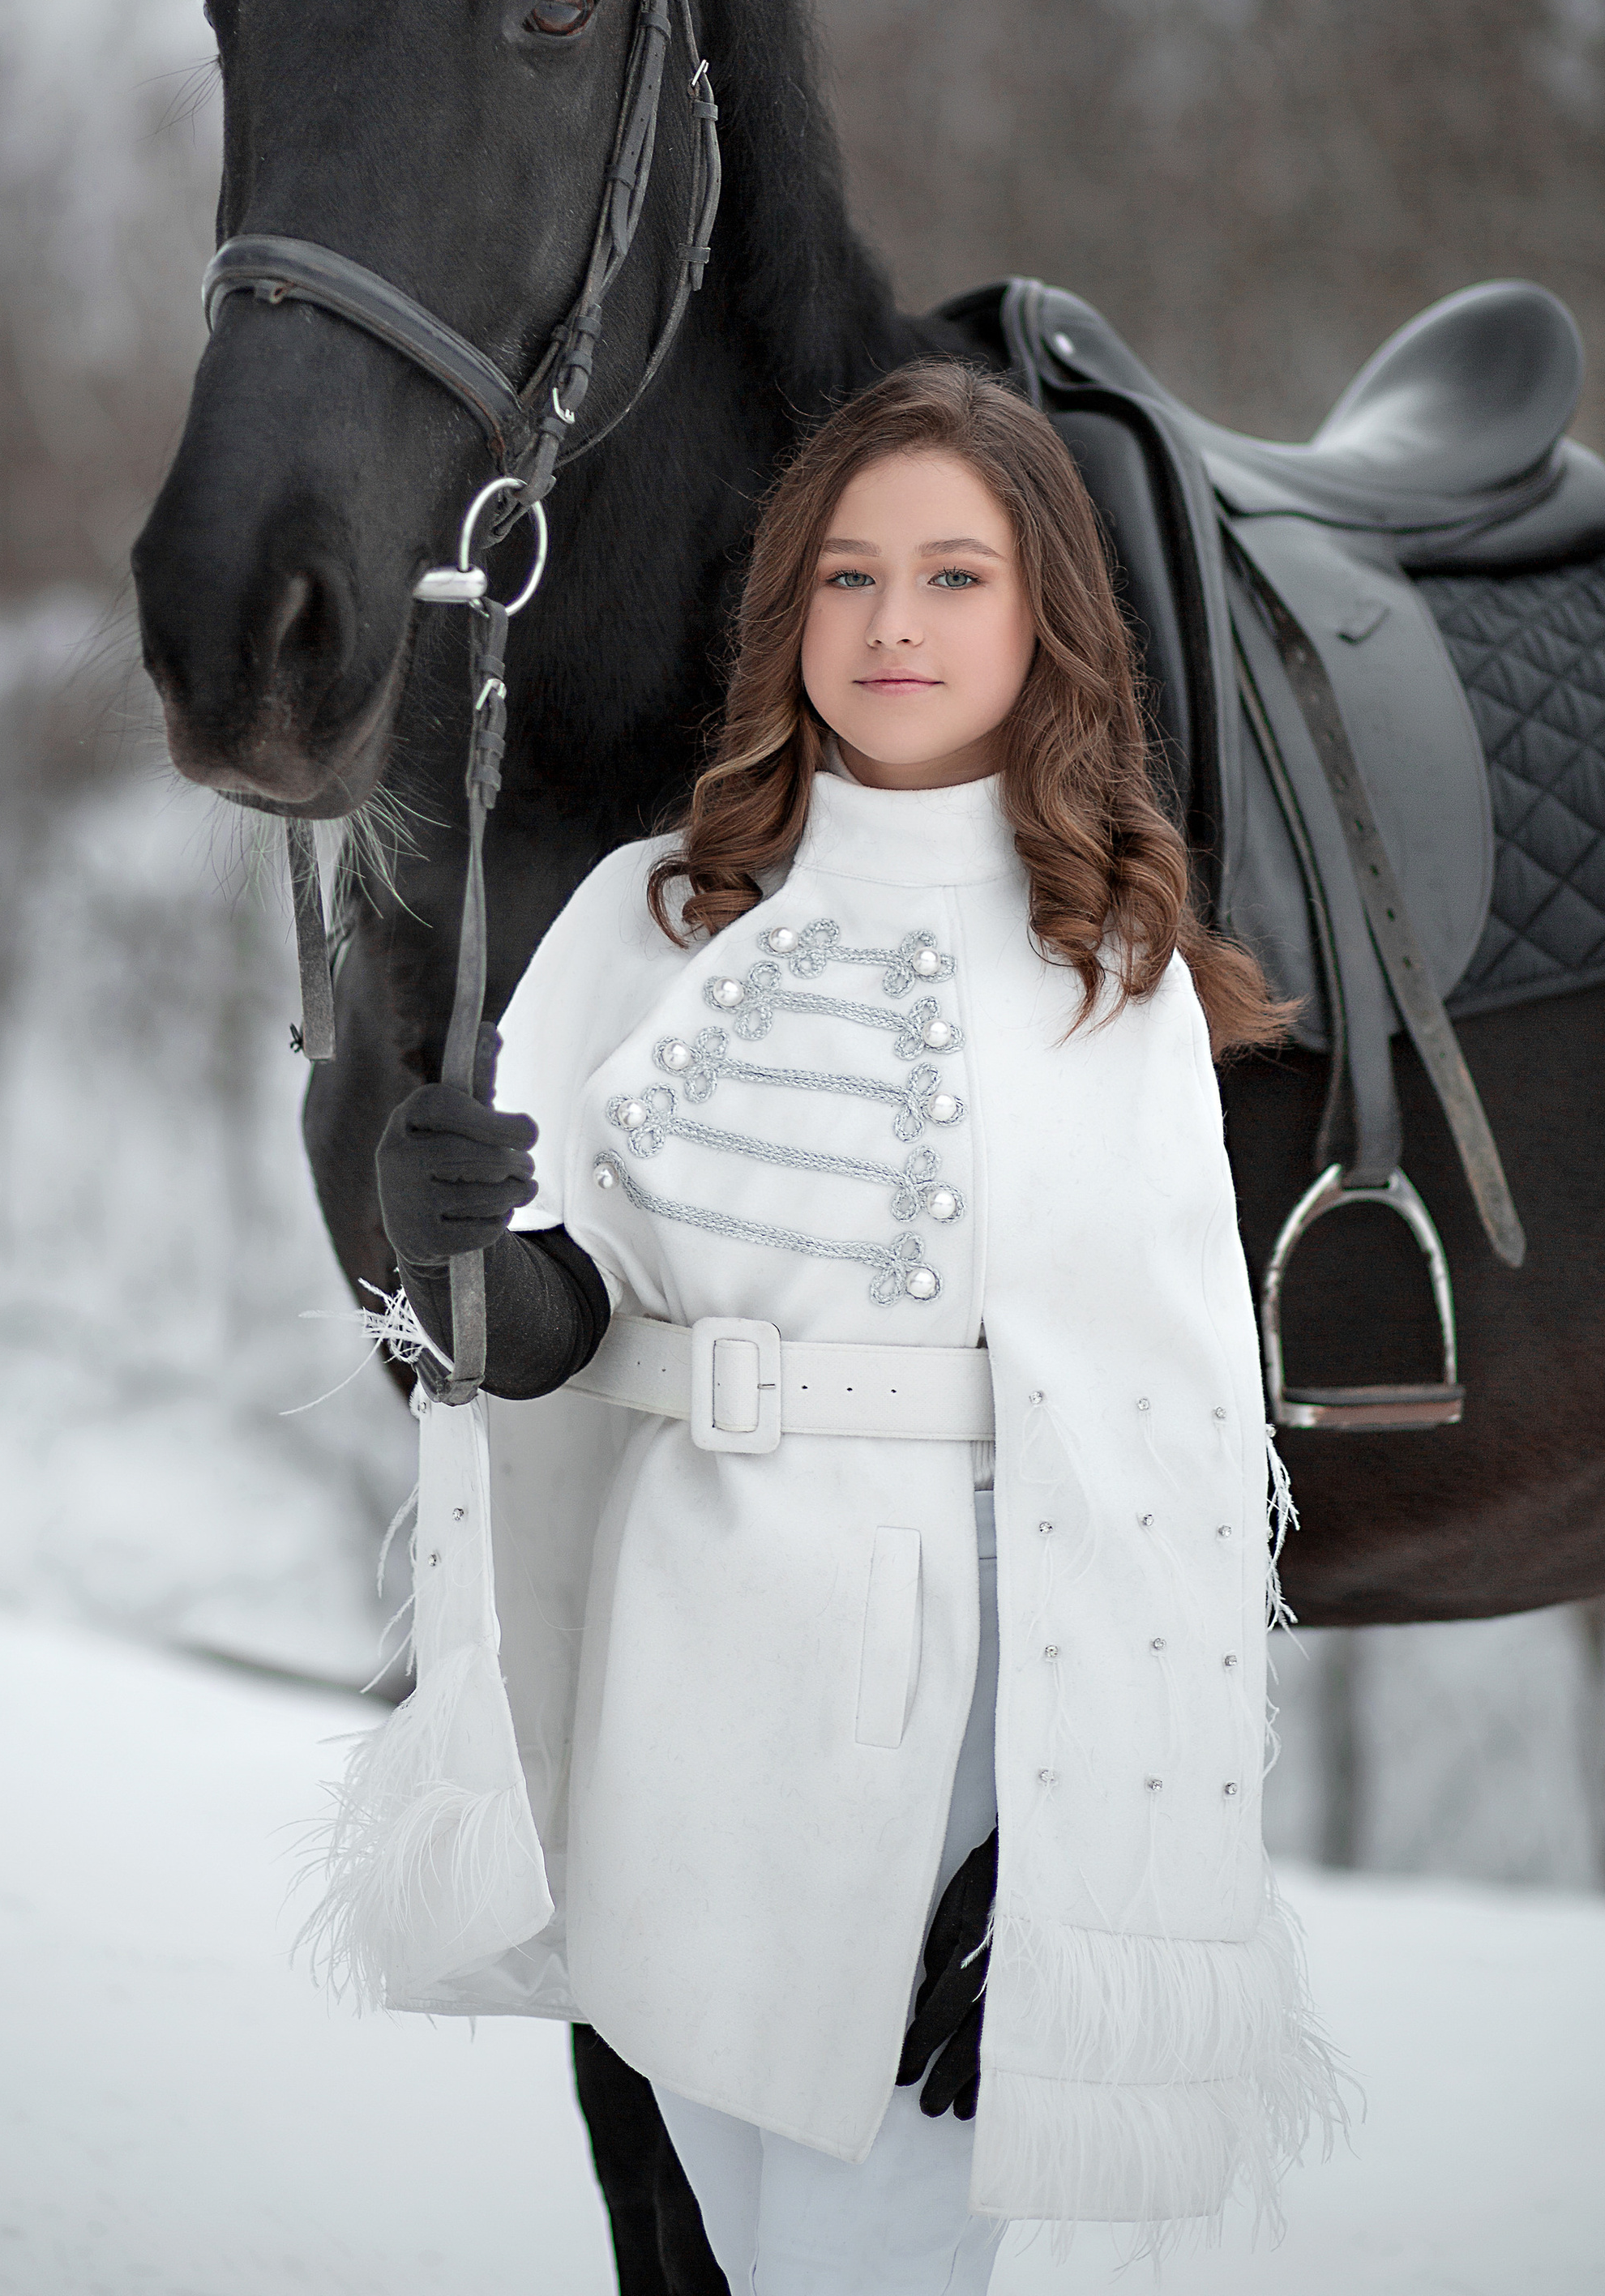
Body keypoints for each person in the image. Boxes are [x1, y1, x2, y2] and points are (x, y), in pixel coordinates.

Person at [322, 362, 1338, 2294]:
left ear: (1043, 620)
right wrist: (455, 1249)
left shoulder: (1096, 977)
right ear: (783, 609)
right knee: (706, 2226)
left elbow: (1160, 1453)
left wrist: (1052, 1862)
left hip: (942, 1691)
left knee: (869, 2252)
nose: (890, 625)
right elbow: (565, 1316)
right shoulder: (650, 920)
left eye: (953, 577)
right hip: (678, 1663)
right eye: (847, 577)